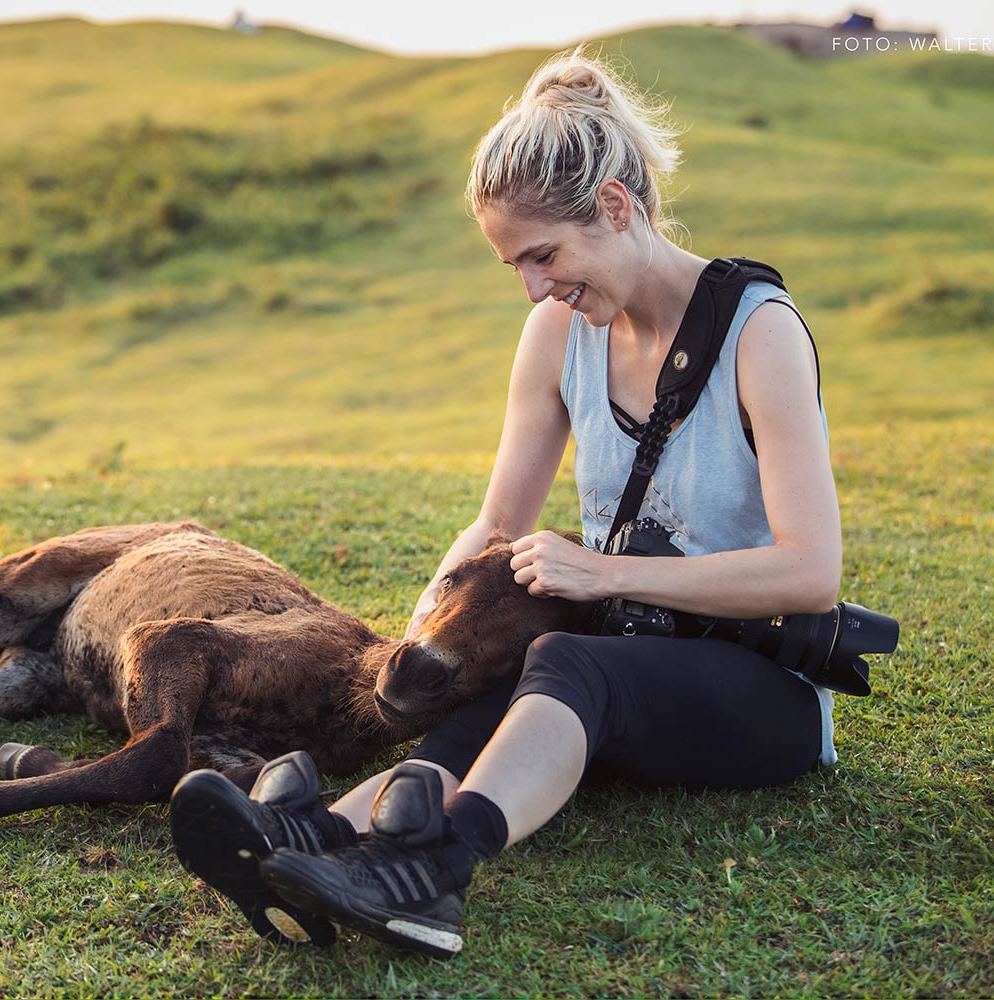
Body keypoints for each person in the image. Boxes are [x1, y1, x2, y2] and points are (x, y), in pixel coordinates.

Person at [169, 47, 842, 959]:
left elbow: (810, 572)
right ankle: (312, 842)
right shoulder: (558, 333)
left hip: (763, 695)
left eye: (544, 255)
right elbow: (497, 524)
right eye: (515, 265)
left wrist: (603, 572)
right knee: (512, 679)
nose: (534, 286)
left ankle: (434, 870)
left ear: (615, 207)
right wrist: (418, 632)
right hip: (623, 666)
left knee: (566, 659)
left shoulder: (760, 333)